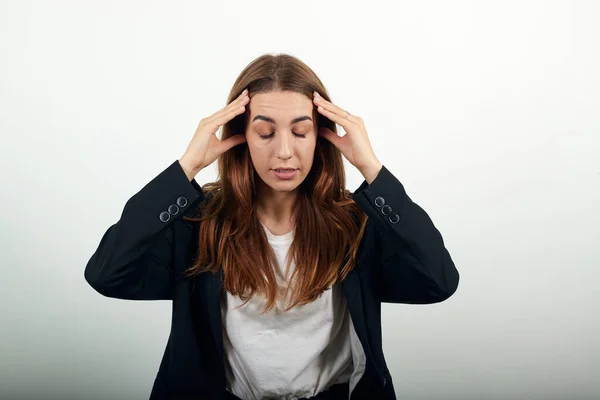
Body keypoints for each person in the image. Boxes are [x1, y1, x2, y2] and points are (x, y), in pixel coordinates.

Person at [84, 53, 460, 400]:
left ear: (321, 136)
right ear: (241, 136)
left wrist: (373, 171)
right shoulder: (199, 224)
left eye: (300, 132)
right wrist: (185, 169)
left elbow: (439, 280)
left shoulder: (357, 224)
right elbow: (106, 273)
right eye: (265, 133)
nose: (284, 151)